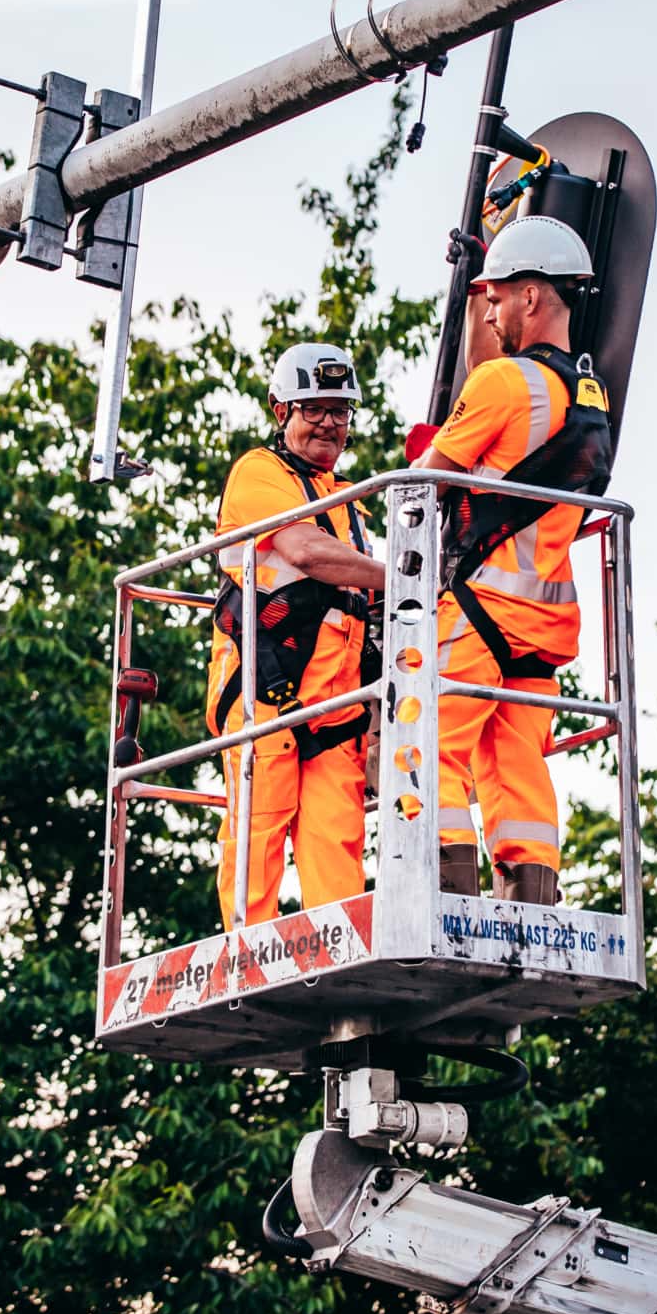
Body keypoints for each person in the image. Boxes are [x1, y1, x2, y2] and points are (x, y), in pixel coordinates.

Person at [418, 215, 612, 907]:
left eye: (499, 298)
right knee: (515, 765)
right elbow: (491, 379)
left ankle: (441, 892)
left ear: (531, 297)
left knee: (426, 745)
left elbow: (426, 480)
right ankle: (530, 896)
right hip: (543, 626)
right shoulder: (589, 399)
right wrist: (475, 290)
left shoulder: (502, 386)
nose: (493, 312)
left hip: (479, 615)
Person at [206, 343, 388, 927]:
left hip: (336, 707)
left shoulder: (348, 502)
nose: (330, 423)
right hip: (267, 695)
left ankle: (341, 962)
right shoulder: (258, 474)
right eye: (315, 408)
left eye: (341, 410)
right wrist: (405, 575)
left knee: (337, 845)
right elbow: (307, 553)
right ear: (280, 409)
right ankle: (242, 960)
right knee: (257, 835)